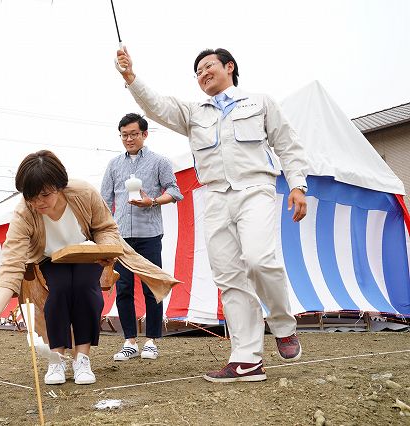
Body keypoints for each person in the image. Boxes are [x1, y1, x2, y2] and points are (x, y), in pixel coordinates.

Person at [115, 47, 309, 382]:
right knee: (229, 277)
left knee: (259, 259)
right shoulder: (194, 112)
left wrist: (298, 184)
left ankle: (282, 323)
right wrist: (131, 77)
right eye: (198, 72)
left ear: (229, 67)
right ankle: (246, 359)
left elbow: (287, 144)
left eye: (208, 67)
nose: (203, 74)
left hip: (254, 188)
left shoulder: (259, 102)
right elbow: (157, 106)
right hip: (216, 195)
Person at [0, 150, 179, 386]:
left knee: (85, 290)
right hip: (49, 258)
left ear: (60, 185)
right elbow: (10, 267)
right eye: (31, 196)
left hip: (86, 252)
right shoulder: (24, 212)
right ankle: (57, 358)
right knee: (59, 291)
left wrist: (107, 250)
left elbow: (105, 227)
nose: (39, 202)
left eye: (45, 194)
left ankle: (82, 358)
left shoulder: (83, 193)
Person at [101, 113, 183, 361]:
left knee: (152, 287)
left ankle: (152, 340)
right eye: (124, 135)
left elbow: (175, 191)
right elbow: (104, 200)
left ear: (145, 134)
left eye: (134, 134)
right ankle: (129, 341)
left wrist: (153, 201)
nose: (129, 139)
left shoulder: (160, 162)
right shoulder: (114, 165)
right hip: (122, 237)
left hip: (149, 234)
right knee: (123, 288)